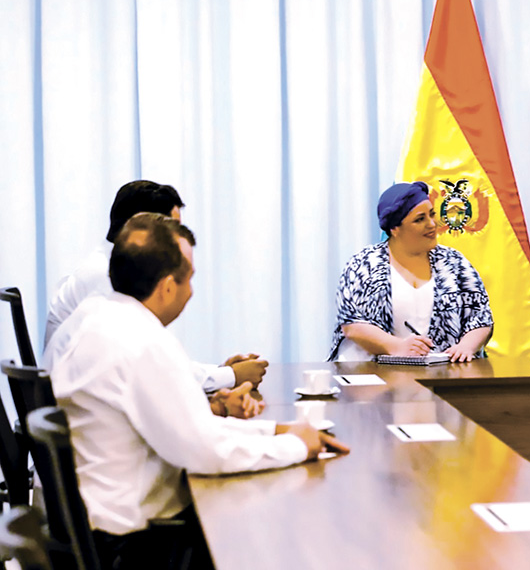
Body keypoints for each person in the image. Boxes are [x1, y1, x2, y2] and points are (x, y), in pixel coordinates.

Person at [47, 213, 348, 570]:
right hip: (137, 547)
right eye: (189, 279)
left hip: (101, 530)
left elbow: (187, 426)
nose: (191, 291)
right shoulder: (141, 342)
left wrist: (274, 429)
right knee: (276, 535)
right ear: (168, 287)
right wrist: (298, 445)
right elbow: (205, 451)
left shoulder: (99, 315)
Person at [43, 180, 268, 393]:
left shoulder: (106, 265)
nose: (181, 241)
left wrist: (220, 372)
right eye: (174, 230)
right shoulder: (108, 277)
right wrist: (230, 376)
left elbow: (154, 363)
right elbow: (153, 372)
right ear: (143, 229)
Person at [331, 181, 493, 362]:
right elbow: (351, 325)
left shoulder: (455, 262)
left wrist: (466, 347)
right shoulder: (363, 264)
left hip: (440, 377)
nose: (432, 224)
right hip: (370, 378)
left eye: (432, 214)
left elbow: (481, 318)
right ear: (395, 229)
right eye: (419, 219)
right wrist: (396, 347)